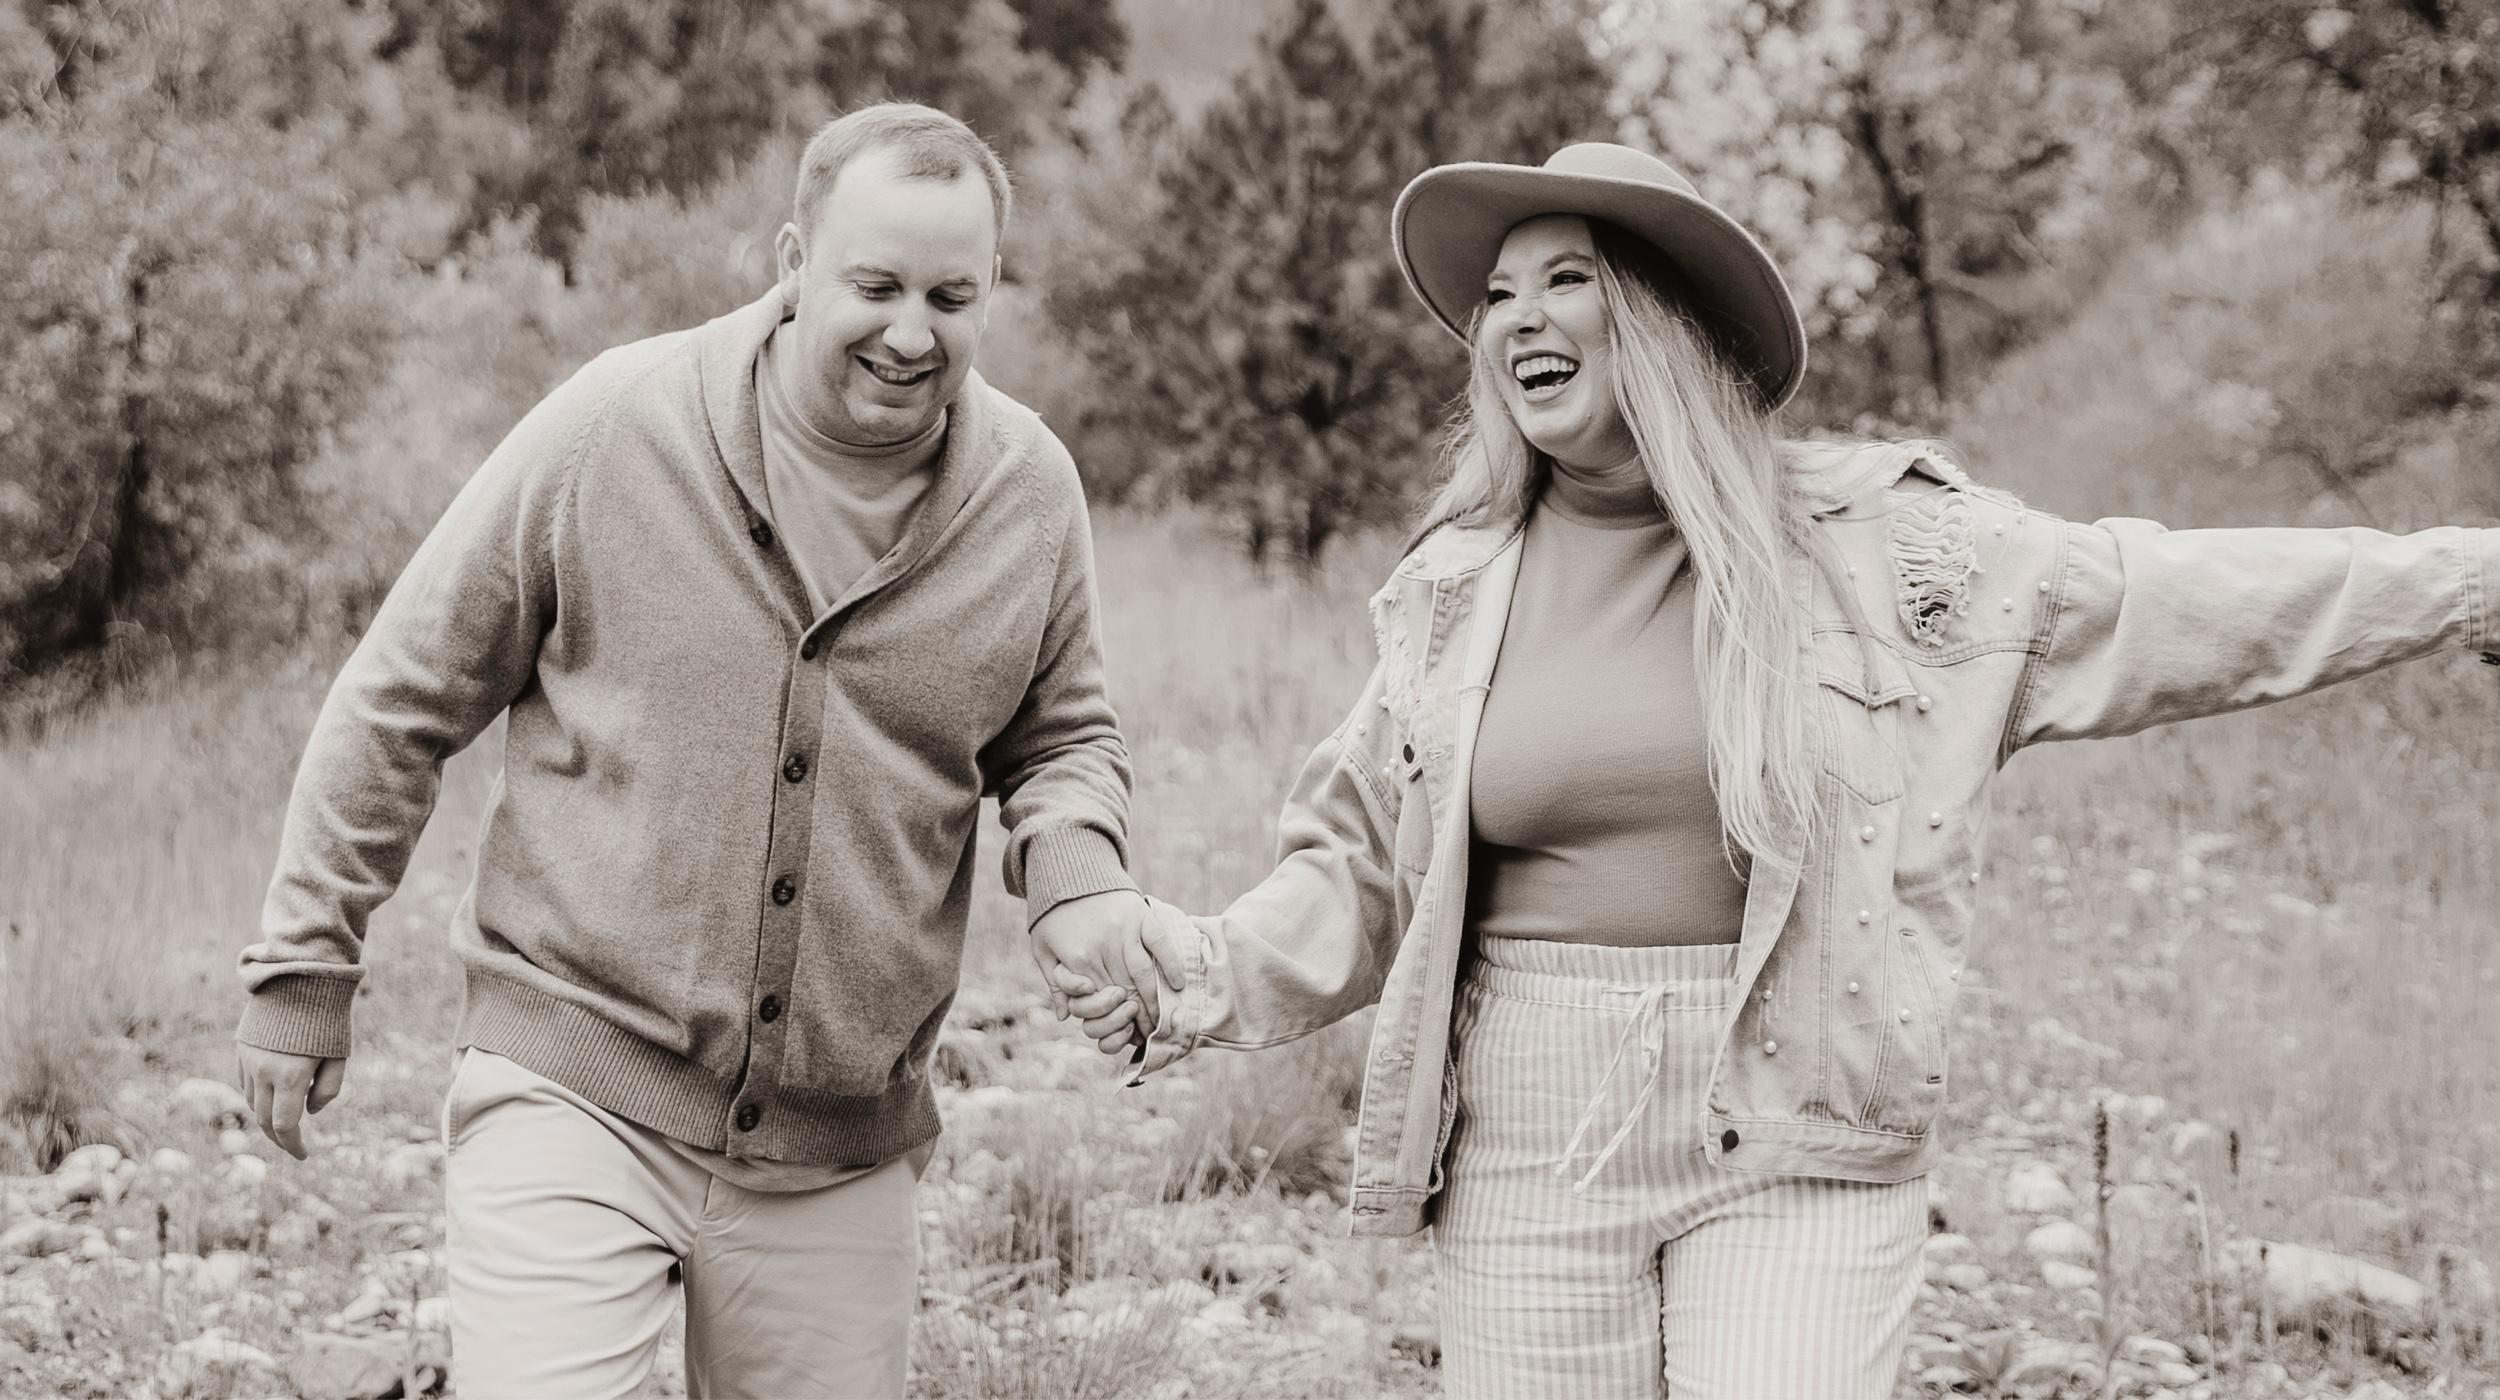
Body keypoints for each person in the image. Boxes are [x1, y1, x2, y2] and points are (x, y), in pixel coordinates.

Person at [1052, 142, 2500, 1398]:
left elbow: (2175, 595)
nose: (1516, 317)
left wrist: (2466, 581)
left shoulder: (1890, 550)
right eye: (1496, 294)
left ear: (1662, 313)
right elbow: (1364, 861)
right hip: (1530, 1128)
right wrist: (1194, 971)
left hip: (1804, 1118)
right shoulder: (1455, 588)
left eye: (1567, 278)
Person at [233, 102, 1167, 1399]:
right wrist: (303, 964)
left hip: (838, 1143)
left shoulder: (1029, 490)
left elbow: (1060, 736)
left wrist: (1080, 883)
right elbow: (405, 692)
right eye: (876, 287)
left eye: (952, 297)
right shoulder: (618, 424)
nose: (912, 333)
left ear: (991, 290)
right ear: (794, 261)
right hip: (574, 1076)